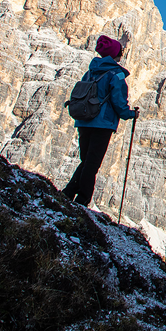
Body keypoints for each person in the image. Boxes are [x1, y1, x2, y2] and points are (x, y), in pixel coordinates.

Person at [61, 34, 139, 206]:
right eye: (120, 52)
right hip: (102, 123)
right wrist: (130, 114)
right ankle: (82, 200)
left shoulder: (90, 72)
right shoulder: (116, 75)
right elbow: (119, 101)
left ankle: (68, 193)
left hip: (83, 120)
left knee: (87, 160)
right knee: (92, 163)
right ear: (115, 55)